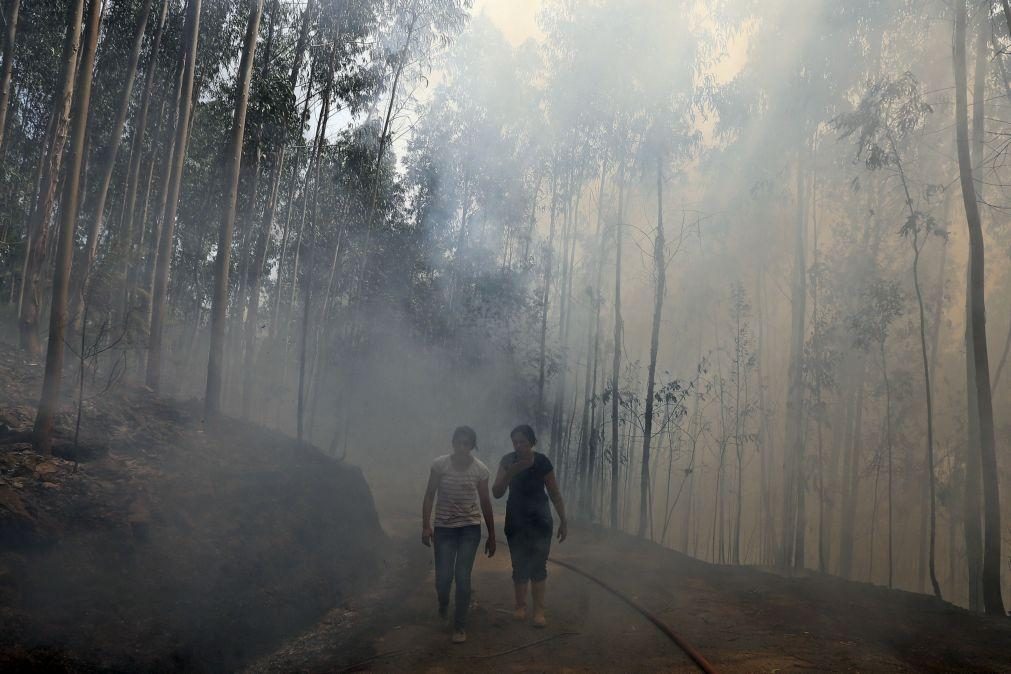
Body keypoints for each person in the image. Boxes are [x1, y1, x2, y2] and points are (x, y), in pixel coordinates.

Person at [422, 426, 496, 644]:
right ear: (453, 443)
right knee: (443, 578)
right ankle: (443, 603)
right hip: (444, 528)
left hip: (469, 528)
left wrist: (492, 534)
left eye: (467, 444)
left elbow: (485, 502)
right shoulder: (440, 465)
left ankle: (460, 625)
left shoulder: (480, 470)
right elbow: (429, 495)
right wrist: (426, 526)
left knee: (462, 576)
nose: (462, 447)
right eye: (458, 443)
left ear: (472, 447)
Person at [492, 424, 567, 628]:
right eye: (515, 442)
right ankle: (520, 606)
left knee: (538, 565)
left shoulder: (542, 462)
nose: (518, 446)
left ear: (531, 442)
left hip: (540, 521)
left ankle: (539, 611)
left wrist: (563, 520)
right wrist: (511, 473)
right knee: (519, 564)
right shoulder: (508, 461)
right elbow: (496, 492)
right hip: (515, 520)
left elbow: (554, 493)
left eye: (523, 442)